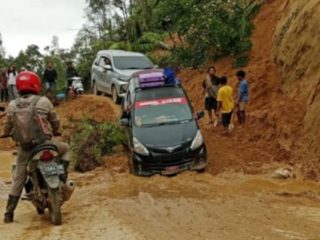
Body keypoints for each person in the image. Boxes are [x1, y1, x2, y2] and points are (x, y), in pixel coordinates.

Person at [1, 71, 70, 223]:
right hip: (45, 144)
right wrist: (56, 130)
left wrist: (5, 134)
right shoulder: (44, 101)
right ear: (36, 84)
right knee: (65, 148)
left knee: (19, 178)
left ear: (18, 86)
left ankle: (8, 214)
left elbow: (7, 125)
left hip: (25, 150)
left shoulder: (12, 105)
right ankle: (63, 175)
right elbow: (55, 120)